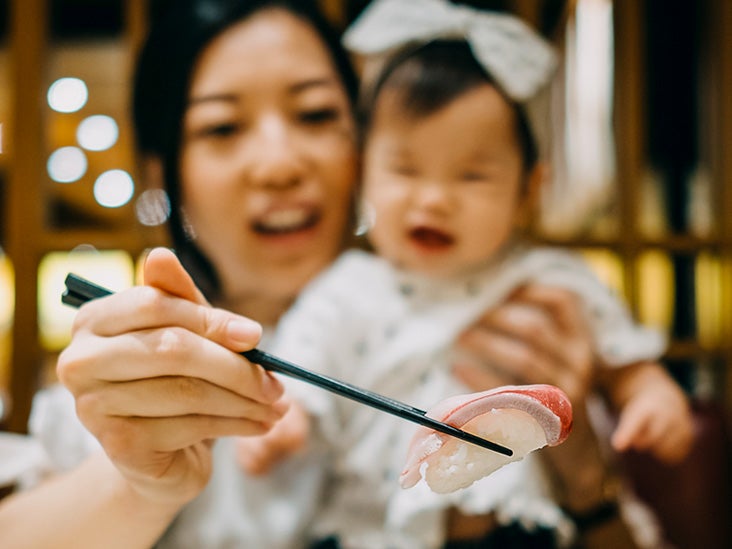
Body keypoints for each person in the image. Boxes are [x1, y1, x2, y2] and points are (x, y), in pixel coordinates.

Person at [0, 1, 676, 548]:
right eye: (223, 127)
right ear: (163, 173)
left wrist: (585, 481)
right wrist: (136, 483)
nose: (279, 162)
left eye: (318, 114)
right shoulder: (133, 376)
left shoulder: (525, 300)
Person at [234, 1, 694, 547]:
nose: (433, 199)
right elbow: (304, 374)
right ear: (364, 176)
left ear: (528, 191)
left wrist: (654, 399)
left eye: (472, 176)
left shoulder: (549, 279)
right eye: (405, 169)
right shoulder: (347, 288)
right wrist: (288, 424)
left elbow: (626, 365)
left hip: (517, 529)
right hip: (373, 531)